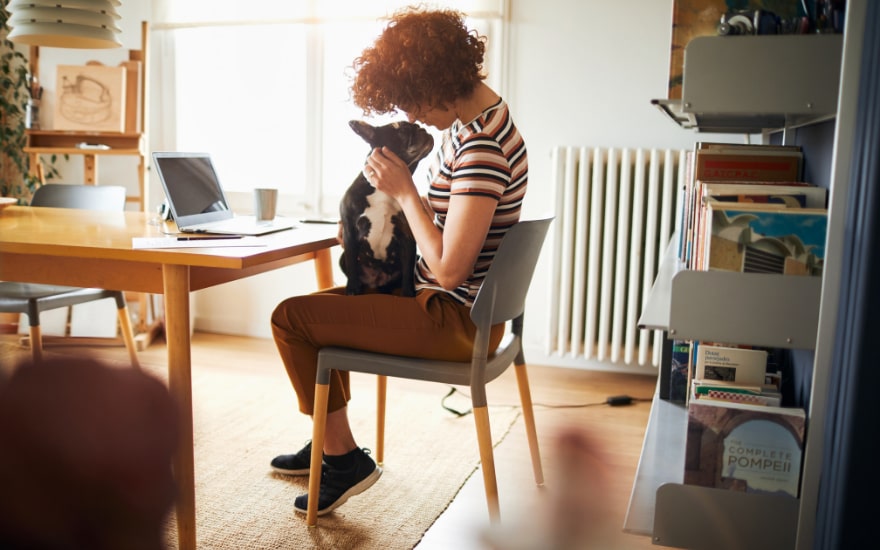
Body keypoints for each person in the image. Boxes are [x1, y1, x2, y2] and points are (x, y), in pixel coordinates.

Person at [270, 5, 528, 516]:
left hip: (451, 317)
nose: (409, 116)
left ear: (435, 81)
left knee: (290, 319)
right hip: (446, 305)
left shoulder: (481, 148)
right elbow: (446, 223)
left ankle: (341, 458)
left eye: (410, 100)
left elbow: (450, 270)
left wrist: (405, 192)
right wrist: (378, 212)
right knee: (313, 312)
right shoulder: (479, 126)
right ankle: (330, 440)